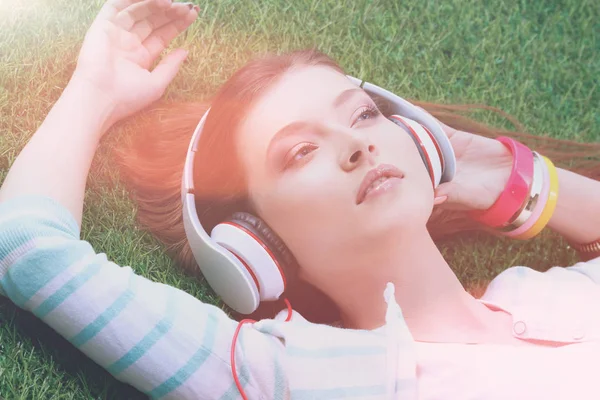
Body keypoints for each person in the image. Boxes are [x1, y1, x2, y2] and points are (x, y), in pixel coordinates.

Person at [0, 0, 599, 399]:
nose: (359, 146)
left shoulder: (548, 292)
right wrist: (95, 90)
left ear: (419, 139)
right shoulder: (309, 372)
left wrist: (505, 176)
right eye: (301, 152)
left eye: (363, 115)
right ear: (253, 244)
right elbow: (33, 252)